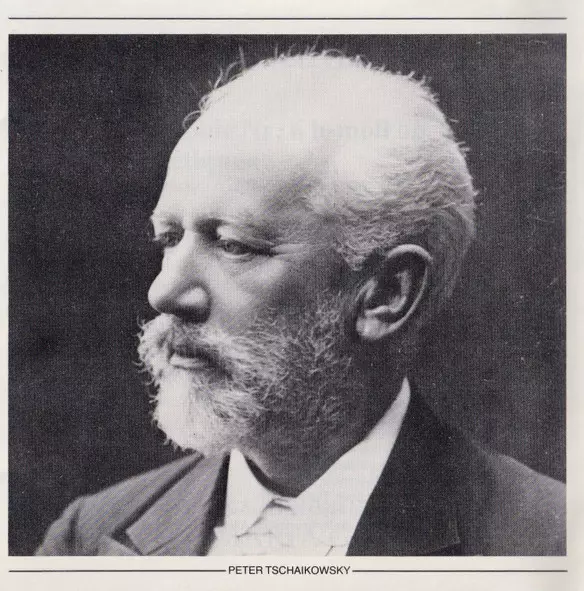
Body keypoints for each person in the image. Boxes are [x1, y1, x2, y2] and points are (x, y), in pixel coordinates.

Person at [36, 52, 565, 556]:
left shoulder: (551, 544)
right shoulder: (90, 536)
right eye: (169, 238)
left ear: (386, 294)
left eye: (233, 245)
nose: (164, 292)